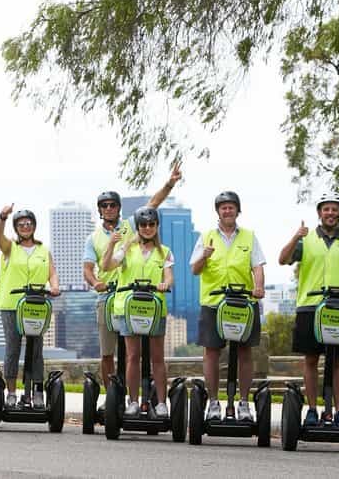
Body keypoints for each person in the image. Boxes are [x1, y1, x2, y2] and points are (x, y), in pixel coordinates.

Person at [82, 163, 182, 388]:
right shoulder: (93, 238)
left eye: (113, 205)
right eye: (104, 206)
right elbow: (88, 269)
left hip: (136, 293)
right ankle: (110, 397)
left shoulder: (131, 225)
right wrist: (96, 282)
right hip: (108, 297)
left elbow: (153, 203)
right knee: (108, 352)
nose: (109, 208)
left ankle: (138, 393)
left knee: (135, 351)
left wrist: (170, 183)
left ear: (119, 208)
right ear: (100, 210)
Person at [278, 191, 339, 427]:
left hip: (338, 308)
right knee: (311, 359)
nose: (330, 213)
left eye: (334, 209)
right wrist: (296, 236)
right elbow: (282, 259)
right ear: (319, 213)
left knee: (336, 360)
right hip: (310, 305)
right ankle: (312, 409)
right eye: (326, 209)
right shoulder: (306, 240)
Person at [190, 191, 266, 422]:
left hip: (243, 302)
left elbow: (258, 266)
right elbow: (195, 269)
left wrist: (259, 287)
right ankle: (213, 403)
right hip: (214, 303)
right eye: (223, 207)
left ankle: (243, 403)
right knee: (211, 353)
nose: (227, 210)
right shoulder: (206, 237)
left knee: (245, 352)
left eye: (231, 207)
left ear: (237, 210)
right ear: (218, 212)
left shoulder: (249, 237)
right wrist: (204, 255)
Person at [101, 206, 174, 417]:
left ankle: (161, 403)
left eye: (152, 224)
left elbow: (169, 276)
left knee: (157, 357)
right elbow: (107, 266)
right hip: (128, 308)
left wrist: (164, 284)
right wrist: (111, 244)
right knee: (132, 356)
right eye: (144, 225)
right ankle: (133, 401)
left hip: (154, 308)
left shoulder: (165, 251)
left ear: (157, 226)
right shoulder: (127, 249)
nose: (148, 228)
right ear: (138, 227)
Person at [0, 205, 60, 408]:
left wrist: (55, 286)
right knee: (12, 349)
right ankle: (12, 393)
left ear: (34, 226)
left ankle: (37, 391)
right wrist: (3, 217)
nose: (25, 226)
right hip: (11, 305)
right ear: (16, 227)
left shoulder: (43, 250)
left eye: (29, 223)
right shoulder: (9, 248)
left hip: (36, 304)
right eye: (21, 224)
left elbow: (52, 272)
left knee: (36, 350)